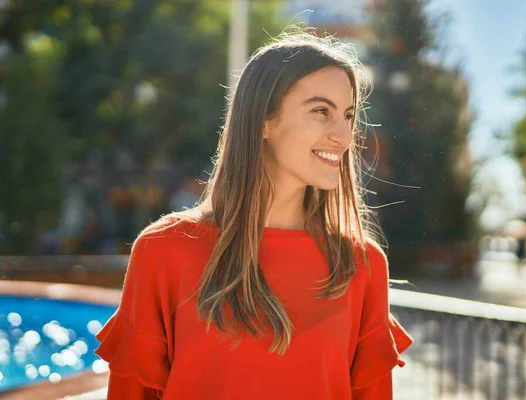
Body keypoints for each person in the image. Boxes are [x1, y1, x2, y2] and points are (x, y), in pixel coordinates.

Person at [95, 27, 413, 399]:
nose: (343, 137)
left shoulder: (362, 265)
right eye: (320, 111)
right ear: (263, 119)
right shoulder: (163, 251)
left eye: (347, 115)